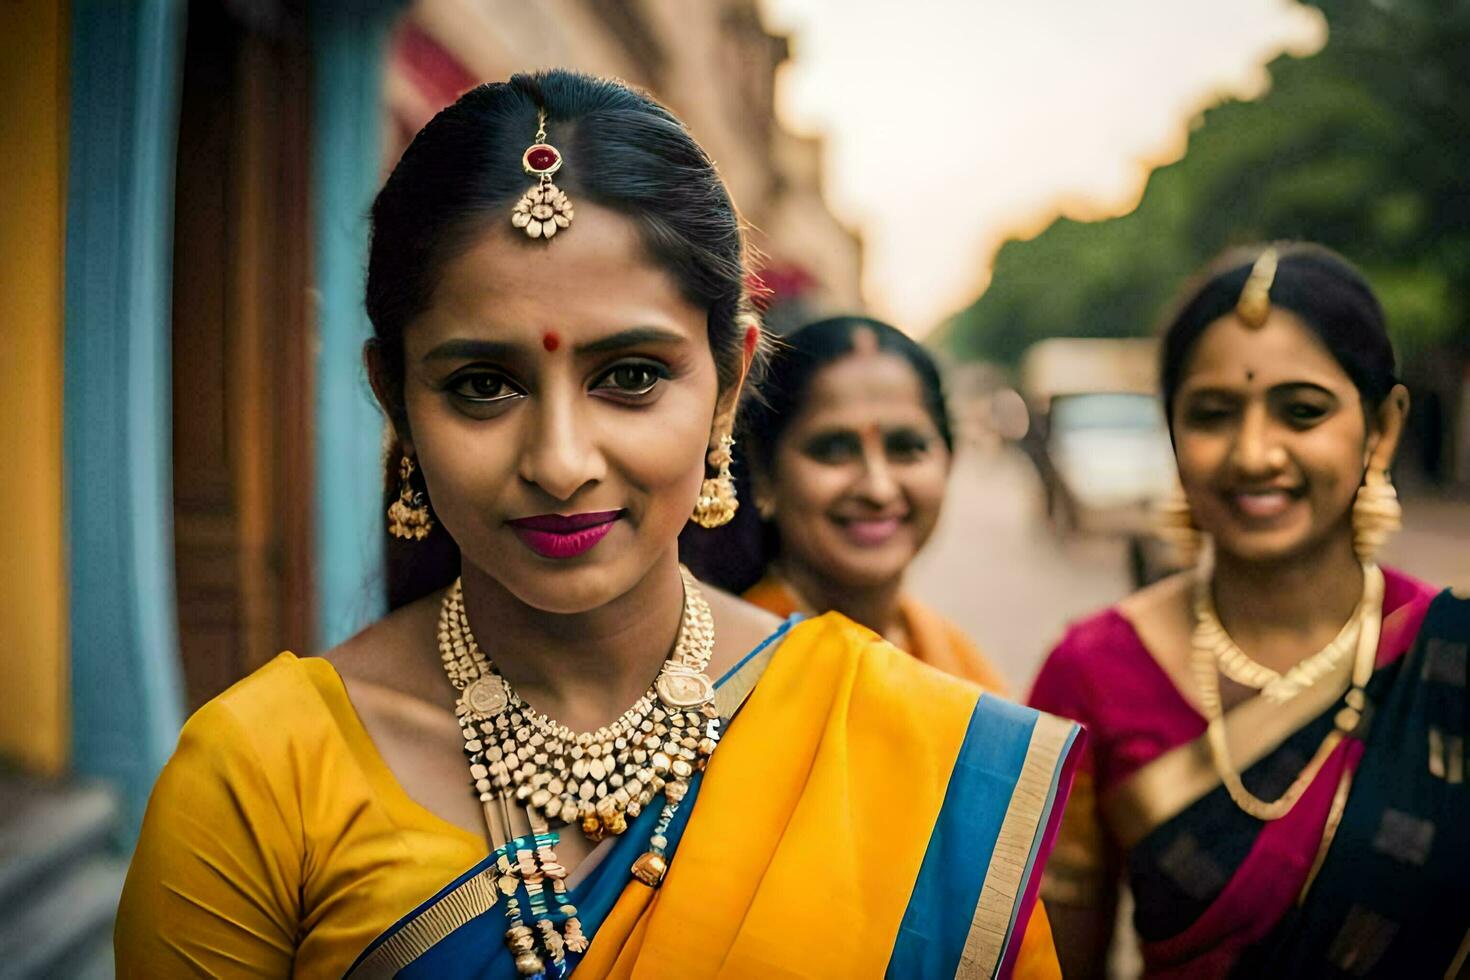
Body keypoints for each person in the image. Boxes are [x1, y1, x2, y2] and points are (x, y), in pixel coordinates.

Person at [116, 71, 1081, 978]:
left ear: (729, 384)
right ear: (395, 398)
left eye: (630, 377)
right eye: (482, 386)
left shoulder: (897, 738)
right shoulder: (259, 779)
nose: (561, 460)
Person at [1028, 243, 1469, 978]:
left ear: (1383, 429)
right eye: (1212, 413)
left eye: (1301, 412)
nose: (1254, 453)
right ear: (1171, 428)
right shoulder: (1093, 672)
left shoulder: (1449, 654)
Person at [728, 315, 1009, 693]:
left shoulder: (961, 666)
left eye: (907, 448)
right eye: (833, 450)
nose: (878, 489)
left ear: (949, 460)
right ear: (764, 472)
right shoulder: (732, 673)